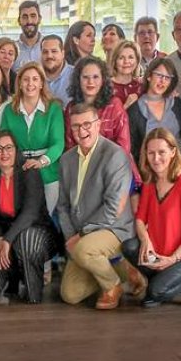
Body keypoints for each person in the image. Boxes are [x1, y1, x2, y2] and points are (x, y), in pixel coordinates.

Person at [122, 128, 181, 308]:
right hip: (162, 246)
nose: (156, 158)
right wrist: (145, 240)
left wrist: (173, 259)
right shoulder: (150, 181)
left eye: (161, 152)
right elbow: (140, 218)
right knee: (130, 247)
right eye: (151, 153)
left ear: (173, 152)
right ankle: (163, 280)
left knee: (155, 292)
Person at [57, 104, 135, 310]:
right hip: (81, 237)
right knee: (70, 294)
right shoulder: (66, 160)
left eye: (87, 124)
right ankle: (121, 270)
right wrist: (71, 237)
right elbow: (62, 206)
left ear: (98, 124)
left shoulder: (115, 155)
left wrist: (82, 235)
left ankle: (113, 285)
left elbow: (113, 209)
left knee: (84, 250)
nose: (81, 131)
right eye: (76, 126)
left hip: (114, 229)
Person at [0, 130, 56, 304]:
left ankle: (33, 293)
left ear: (16, 150)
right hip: (6, 234)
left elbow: (31, 212)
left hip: (37, 232)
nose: (4, 153)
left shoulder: (29, 172)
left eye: (9, 147)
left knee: (27, 240)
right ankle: (9, 287)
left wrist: (7, 240)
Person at [0, 63, 66, 215]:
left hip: (48, 171)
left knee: (47, 217)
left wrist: (41, 162)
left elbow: (58, 143)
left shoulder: (53, 108)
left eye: (35, 79)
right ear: (19, 83)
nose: (30, 84)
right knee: (22, 216)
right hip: (19, 169)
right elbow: (3, 141)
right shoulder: (9, 110)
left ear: (42, 83)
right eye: (26, 79)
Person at [64, 56, 131, 156]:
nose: (90, 82)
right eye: (85, 77)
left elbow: (124, 146)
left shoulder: (114, 105)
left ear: (103, 80)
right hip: (81, 161)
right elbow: (70, 147)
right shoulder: (71, 108)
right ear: (78, 80)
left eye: (95, 77)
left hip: (114, 162)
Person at [127, 58, 181, 171]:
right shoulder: (135, 110)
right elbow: (133, 149)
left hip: (179, 169)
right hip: (149, 172)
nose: (162, 81)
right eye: (159, 75)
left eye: (168, 78)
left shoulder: (176, 104)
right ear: (149, 76)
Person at [108, 40, 143, 108]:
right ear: (115, 61)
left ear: (137, 61)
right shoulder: (105, 86)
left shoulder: (141, 87)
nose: (126, 61)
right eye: (121, 58)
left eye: (131, 57)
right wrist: (126, 106)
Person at [41, 35, 72, 104]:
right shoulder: (34, 76)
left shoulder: (76, 74)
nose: (49, 56)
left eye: (54, 51)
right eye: (45, 52)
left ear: (63, 53)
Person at [15, 0, 43, 69]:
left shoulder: (50, 47)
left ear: (39, 19)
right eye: (25, 17)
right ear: (19, 21)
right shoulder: (12, 50)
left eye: (33, 16)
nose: (29, 21)